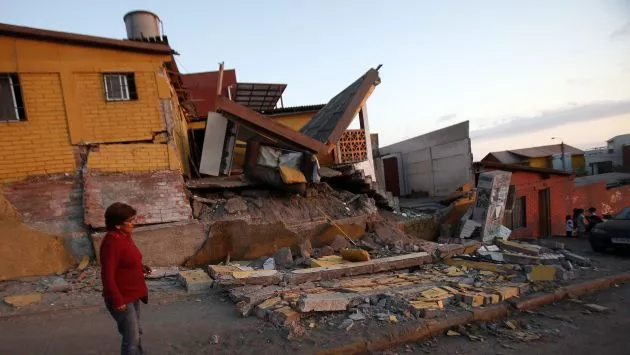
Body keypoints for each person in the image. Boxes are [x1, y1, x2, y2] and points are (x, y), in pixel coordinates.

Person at [101, 202, 151, 355]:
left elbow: (127, 259)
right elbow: (107, 275)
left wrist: (140, 267)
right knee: (131, 338)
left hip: (133, 293)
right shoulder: (112, 243)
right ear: (117, 225)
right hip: (122, 297)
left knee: (136, 333)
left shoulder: (125, 236)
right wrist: (118, 299)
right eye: (129, 221)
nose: (133, 224)